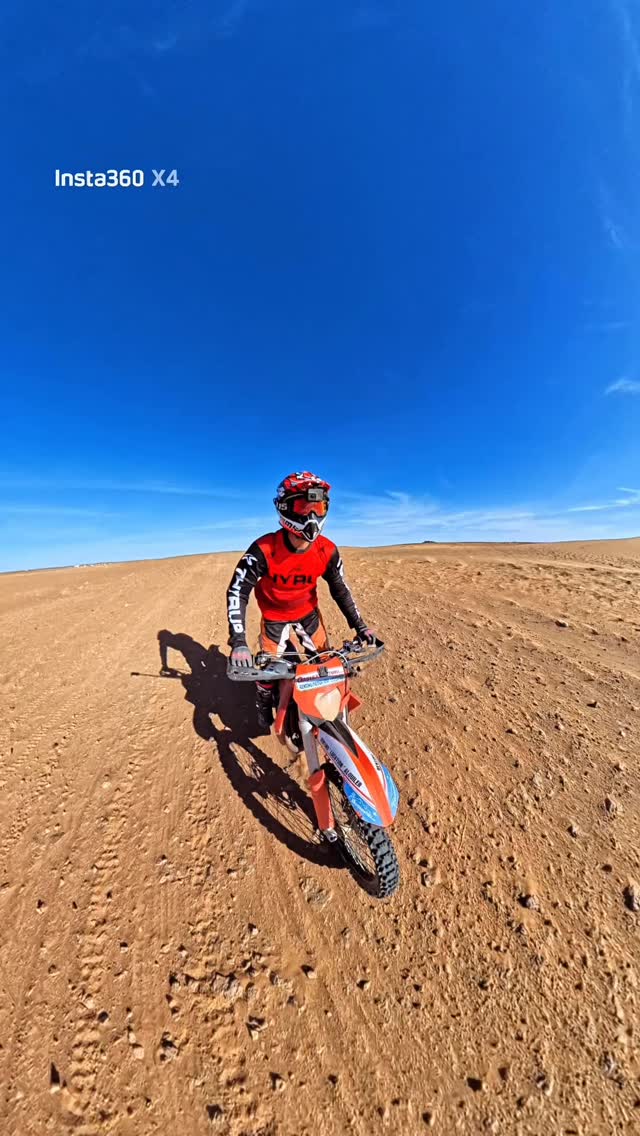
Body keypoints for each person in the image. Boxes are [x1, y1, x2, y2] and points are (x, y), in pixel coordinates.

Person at [226, 471, 376, 732]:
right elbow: (238, 590)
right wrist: (239, 642)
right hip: (274, 619)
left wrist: (360, 626)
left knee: (327, 667)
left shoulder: (326, 550)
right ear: (285, 509)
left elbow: (341, 589)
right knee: (268, 674)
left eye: (318, 507)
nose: (312, 517)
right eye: (303, 507)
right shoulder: (264, 549)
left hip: (308, 616)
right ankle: (263, 704)